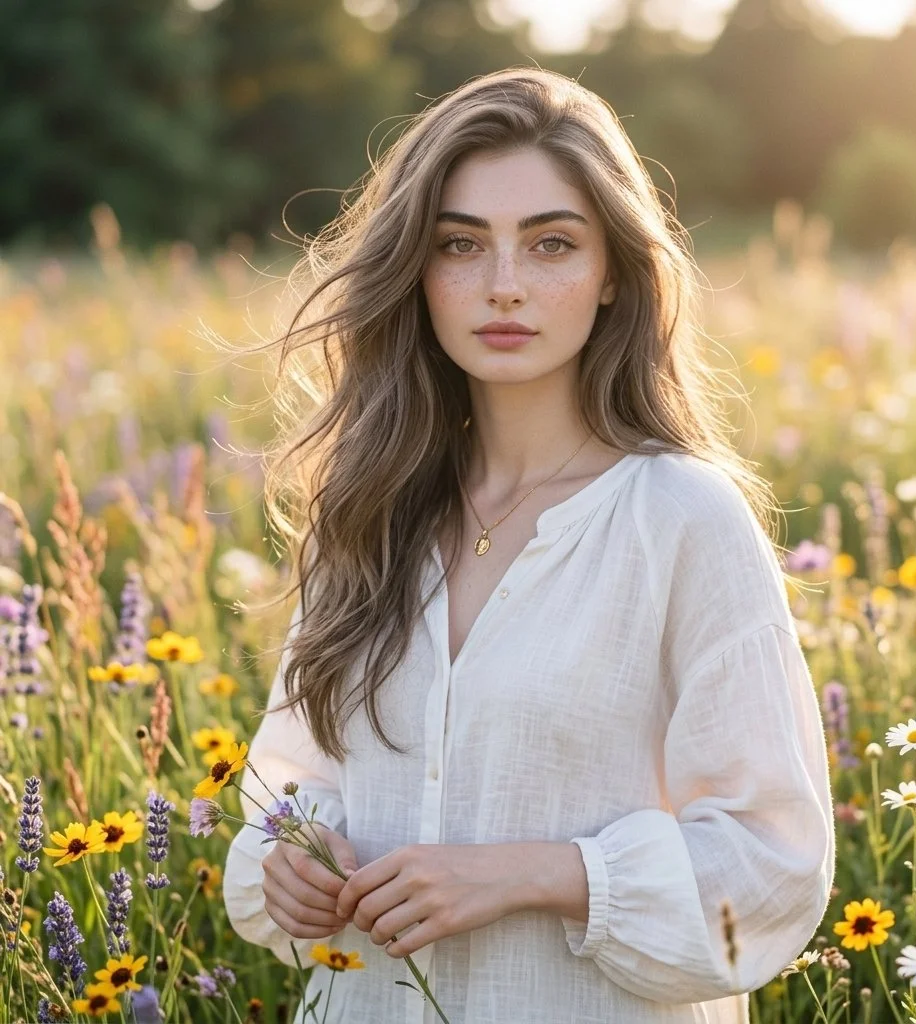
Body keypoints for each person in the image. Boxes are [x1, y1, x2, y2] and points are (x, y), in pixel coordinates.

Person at [222, 66, 835, 1024]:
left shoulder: (681, 517)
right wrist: (291, 859)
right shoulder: (371, 511)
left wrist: (537, 875)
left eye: (551, 243)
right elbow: (290, 784)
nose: (504, 285)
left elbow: (773, 864)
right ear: (417, 275)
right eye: (460, 244)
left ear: (612, 278)